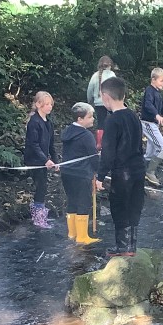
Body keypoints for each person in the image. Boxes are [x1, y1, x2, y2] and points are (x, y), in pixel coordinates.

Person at [96, 76, 145, 256]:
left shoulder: (112, 120)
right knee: (134, 205)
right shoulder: (133, 116)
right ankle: (131, 246)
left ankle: (122, 247)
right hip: (138, 168)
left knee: (119, 207)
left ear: (106, 97)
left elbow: (108, 152)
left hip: (122, 172)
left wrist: (100, 176)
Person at [61, 102, 100, 245]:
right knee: (84, 202)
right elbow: (93, 157)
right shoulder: (86, 135)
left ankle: (72, 234)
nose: (93, 119)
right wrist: (98, 172)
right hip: (82, 174)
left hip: (66, 173)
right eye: (90, 117)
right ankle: (82, 237)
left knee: (72, 201)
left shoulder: (67, 132)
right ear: (80, 119)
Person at [24, 91, 58, 229]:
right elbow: (33, 144)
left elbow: (51, 145)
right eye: (46, 104)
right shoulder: (34, 122)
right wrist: (45, 160)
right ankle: (38, 218)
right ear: (38, 104)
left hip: (43, 160)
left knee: (43, 187)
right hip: (34, 160)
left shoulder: (48, 123)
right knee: (41, 187)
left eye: (51, 104)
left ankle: (40, 216)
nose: (50, 107)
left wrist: (55, 160)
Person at [86, 55, 116, 139]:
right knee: (114, 121)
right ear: (110, 65)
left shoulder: (95, 75)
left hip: (98, 103)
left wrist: (89, 101)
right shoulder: (112, 75)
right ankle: (113, 138)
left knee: (101, 123)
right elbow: (116, 89)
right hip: (111, 103)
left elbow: (89, 90)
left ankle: (99, 143)